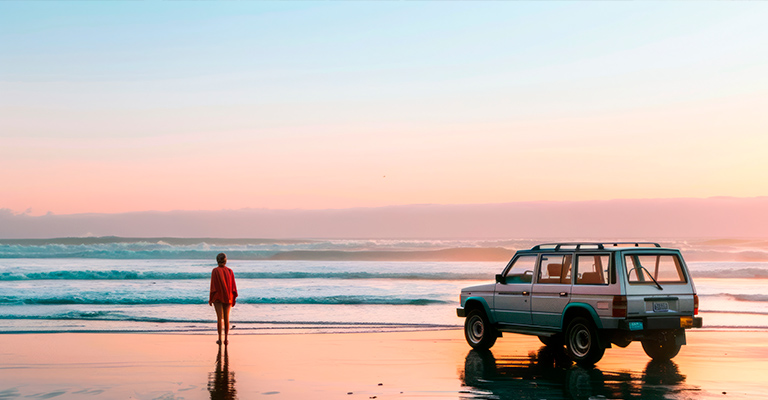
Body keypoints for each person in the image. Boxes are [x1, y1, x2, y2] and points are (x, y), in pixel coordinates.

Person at [209, 252, 238, 345]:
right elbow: (233, 286)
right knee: (226, 318)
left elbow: (213, 286)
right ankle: (226, 339)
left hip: (218, 296)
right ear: (225, 261)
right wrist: (232, 297)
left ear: (217, 260)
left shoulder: (215, 271)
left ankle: (219, 339)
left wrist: (211, 298)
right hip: (228, 296)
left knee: (219, 318)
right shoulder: (230, 271)